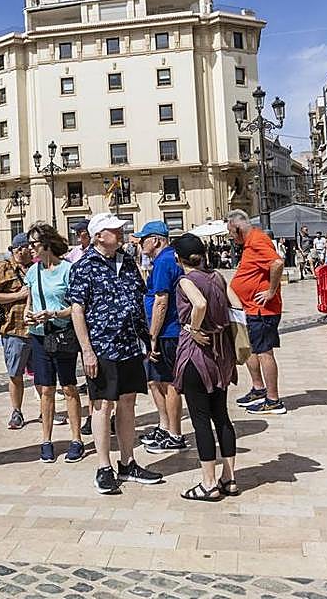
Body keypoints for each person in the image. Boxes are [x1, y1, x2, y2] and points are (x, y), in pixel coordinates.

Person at [68, 213, 163, 494]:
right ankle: (103, 466)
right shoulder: (84, 266)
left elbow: (139, 298)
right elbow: (77, 309)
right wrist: (87, 350)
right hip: (102, 347)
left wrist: (147, 338)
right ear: (98, 235)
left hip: (130, 345)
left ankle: (128, 461)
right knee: (102, 404)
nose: (121, 234)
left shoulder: (128, 263)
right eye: (114, 230)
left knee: (128, 402)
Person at [168, 234, 239, 501]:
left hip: (197, 355)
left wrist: (194, 327)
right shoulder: (217, 277)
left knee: (200, 420)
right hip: (221, 355)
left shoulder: (186, 280)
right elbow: (237, 305)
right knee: (221, 416)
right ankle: (229, 478)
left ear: (179, 258)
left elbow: (199, 303)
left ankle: (208, 482)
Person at [24, 223, 83, 463]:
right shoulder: (32, 271)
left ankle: (76, 438)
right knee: (46, 389)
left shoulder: (68, 270)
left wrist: (54, 314)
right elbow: (29, 301)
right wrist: (29, 313)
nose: (30, 249)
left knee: (69, 387)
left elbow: (77, 307)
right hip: (39, 335)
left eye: (34, 244)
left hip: (63, 334)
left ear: (47, 244)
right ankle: (46, 440)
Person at [136, 220, 188, 453]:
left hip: (167, 333)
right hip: (163, 332)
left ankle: (175, 434)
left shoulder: (165, 262)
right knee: (154, 381)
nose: (140, 244)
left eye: (143, 240)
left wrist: (153, 336)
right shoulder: (163, 260)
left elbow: (161, 301)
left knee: (168, 384)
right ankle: (165, 426)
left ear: (156, 240)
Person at [228, 209, 286, 415]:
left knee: (264, 352)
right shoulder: (250, 242)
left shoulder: (258, 240)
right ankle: (259, 388)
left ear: (237, 227)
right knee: (251, 349)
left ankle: (273, 400)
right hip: (250, 308)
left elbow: (277, 263)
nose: (230, 237)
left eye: (231, 233)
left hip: (262, 310)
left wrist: (270, 291)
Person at [0, 234, 33, 430]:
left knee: (42, 374)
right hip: (14, 329)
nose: (31, 251)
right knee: (15, 373)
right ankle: (16, 411)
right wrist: (17, 295)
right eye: (28, 248)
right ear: (19, 249)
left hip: (37, 329)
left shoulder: (35, 267)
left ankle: (47, 410)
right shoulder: (3, 268)